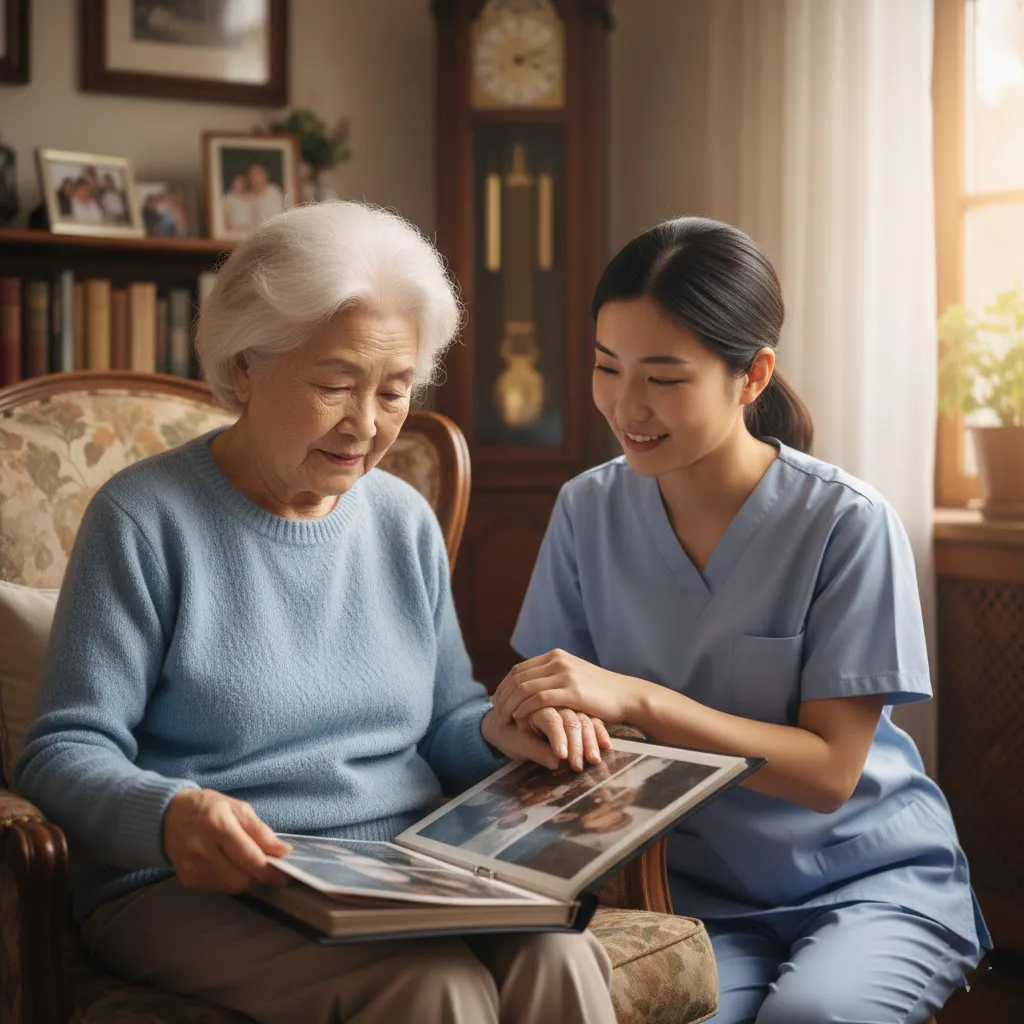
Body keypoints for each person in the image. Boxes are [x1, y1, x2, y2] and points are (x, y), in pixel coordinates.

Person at [14, 201, 617, 1024]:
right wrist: (169, 817)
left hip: (400, 869)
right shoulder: (144, 519)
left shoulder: (402, 518)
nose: (367, 427)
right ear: (245, 369)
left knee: (563, 955)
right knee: (433, 989)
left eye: (395, 392)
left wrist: (498, 737)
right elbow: (61, 750)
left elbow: (443, 717)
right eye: (335, 385)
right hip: (195, 885)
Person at [491, 216, 991, 1024]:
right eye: (606, 367)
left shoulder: (846, 524)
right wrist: (532, 724)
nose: (626, 406)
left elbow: (831, 773)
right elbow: (566, 708)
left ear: (752, 375)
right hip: (689, 893)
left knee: (812, 1017)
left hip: (864, 881)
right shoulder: (587, 509)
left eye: (664, 377)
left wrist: (640, 699)